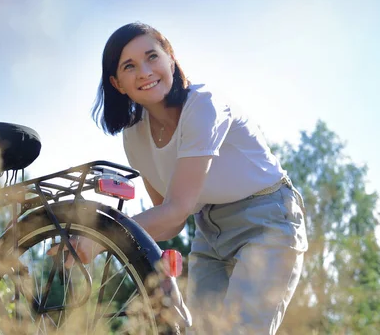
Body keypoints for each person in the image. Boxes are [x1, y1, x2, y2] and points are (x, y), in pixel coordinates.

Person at [54, 22, 308, 334]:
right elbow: (171, 221)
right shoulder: (135, 137)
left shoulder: (203, 106)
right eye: (129, 66)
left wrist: (102, 238)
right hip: (209, 230)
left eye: (152, 57)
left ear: (171, 58)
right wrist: (85, 240)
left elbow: (176, 209)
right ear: (117, 83)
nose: (145, 72)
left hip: (267, 218)